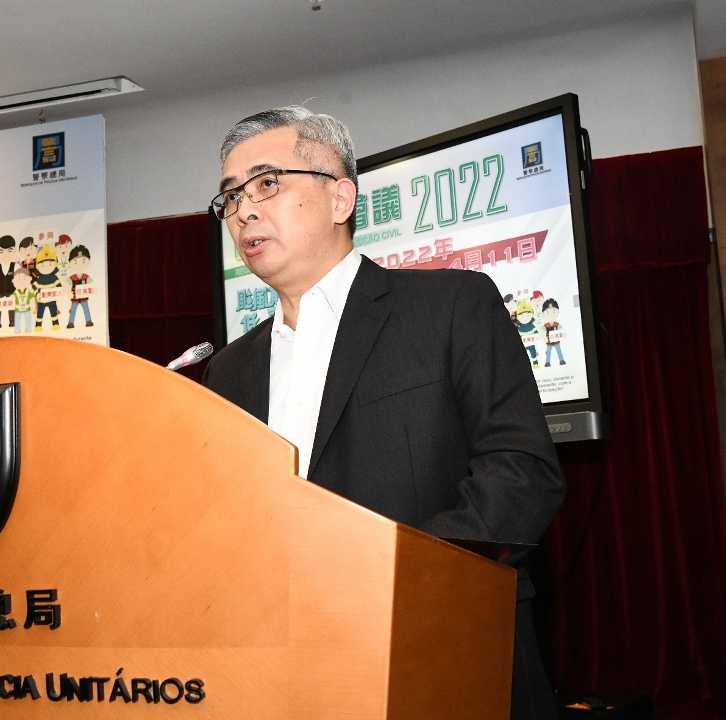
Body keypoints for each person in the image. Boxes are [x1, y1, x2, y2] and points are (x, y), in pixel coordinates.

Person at [200, 106, 564, 720]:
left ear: (340, 198)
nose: (244, 211)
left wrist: (384, 579)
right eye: (231, 196)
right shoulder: (228, 370)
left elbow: (521, 472)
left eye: (267, 184)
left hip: (443, 646)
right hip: (287, 669)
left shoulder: (450, 306)